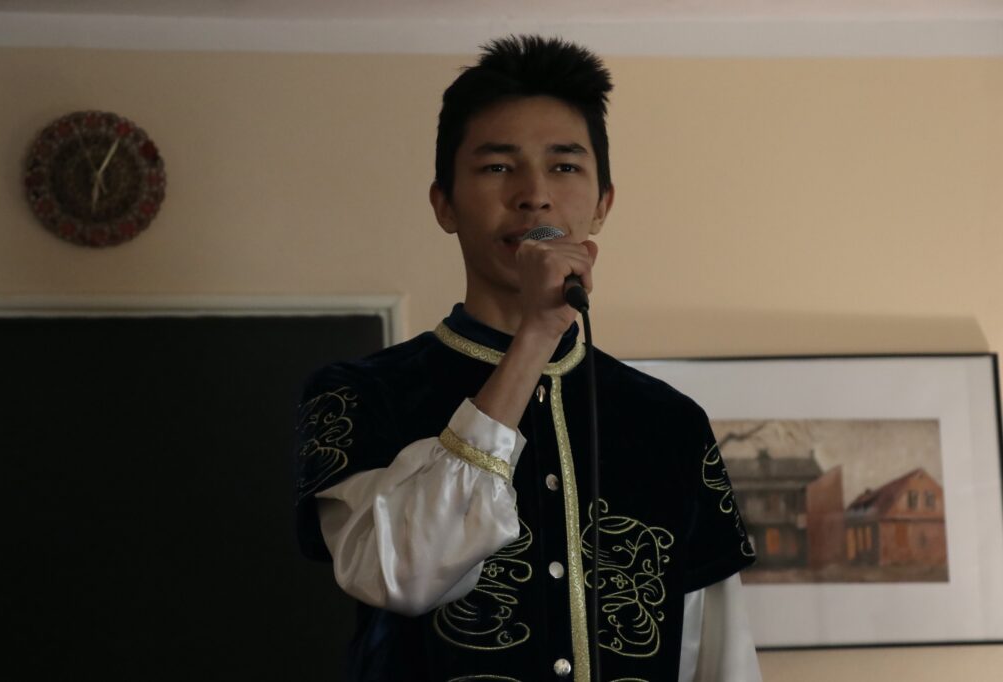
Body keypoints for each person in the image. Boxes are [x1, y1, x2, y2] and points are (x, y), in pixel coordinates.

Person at [295, 35, 761, 681]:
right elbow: (399, 573)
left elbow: (716, 652)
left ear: (603, 204)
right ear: (443, 204)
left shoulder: (671, 422)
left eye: (564, 167)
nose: (534, 194)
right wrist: (536, 336)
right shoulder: (357, 395)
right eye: (497, 167)